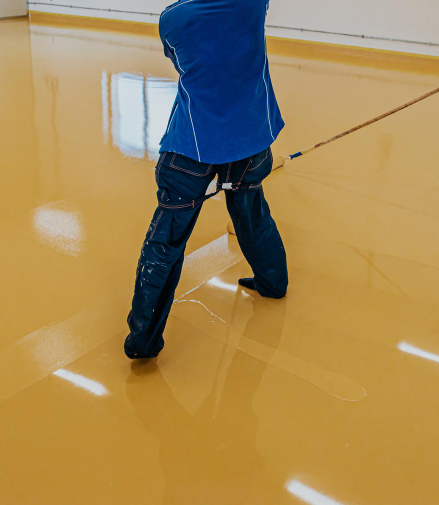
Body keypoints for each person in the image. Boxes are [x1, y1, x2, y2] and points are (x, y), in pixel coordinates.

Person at [124, 0, 288, 360]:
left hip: (192, 148)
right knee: (252, 212)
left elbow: (179, 61)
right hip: (251, 141)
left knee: (166, 239)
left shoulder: (173, 19)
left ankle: (144, 340)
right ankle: (273, 283)